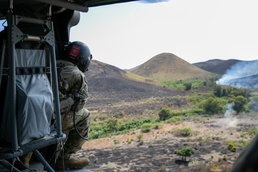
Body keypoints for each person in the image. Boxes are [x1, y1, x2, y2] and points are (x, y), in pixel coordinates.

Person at [55, 41, 92, 170]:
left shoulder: (48, 64)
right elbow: (78, 106)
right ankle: (63, 159)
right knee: (85, 115)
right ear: (82, 59)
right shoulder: (77, 74)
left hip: (33, 118)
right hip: (50, 121)